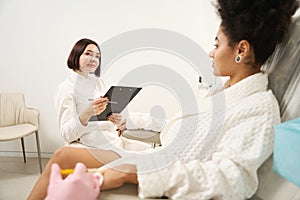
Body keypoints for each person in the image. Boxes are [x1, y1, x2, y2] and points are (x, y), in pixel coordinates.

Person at [28, 0, 299, 199]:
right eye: (88, 54)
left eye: (216, 44)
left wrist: (128, 169)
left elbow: (233, 179)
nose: (210, 52)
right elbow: (185, 130)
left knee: (64, 158)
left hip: (160, 166)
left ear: (241, 50)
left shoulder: (258, 106)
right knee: (64, 154)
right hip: (153, 155)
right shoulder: (226, 90)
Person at [53, 38, 152, 152]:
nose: (93, 59)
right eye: (88, 54)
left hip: (114, 140)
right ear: (76, 55)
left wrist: (116, 119)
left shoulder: (99, 82)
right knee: (150, 158)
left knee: (156, 152)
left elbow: (109, 120)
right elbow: (66, 134)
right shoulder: (66, 88)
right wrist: (87, 113)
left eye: (97, 56)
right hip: (96, 146)